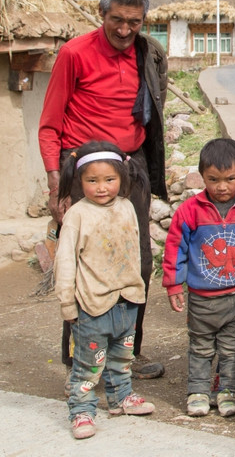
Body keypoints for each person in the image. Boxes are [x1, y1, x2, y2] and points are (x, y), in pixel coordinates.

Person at [39, 0, 169, 385]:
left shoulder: (149, 54)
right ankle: (79, 361)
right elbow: (49, 125)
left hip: (132, 169)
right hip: (84, 170)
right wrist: (55, 185)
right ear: (102, 13)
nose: (126, 30)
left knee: (137, 262)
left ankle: (127, 352)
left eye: (135, 21)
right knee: (83, 264)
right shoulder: (74, 54)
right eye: (117, 19)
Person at [53, 141, 156, 440]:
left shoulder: (127, 208)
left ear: (122, 179)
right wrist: (67, 304)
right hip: (92, 304)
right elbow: (65, 262)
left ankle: (120, 398)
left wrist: (137, 287)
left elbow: (135, 251)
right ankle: (82, 410)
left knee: (121, 357)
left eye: (109, 180)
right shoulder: (77, 215)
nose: (101, 188)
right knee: (88, 363)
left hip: (127, 299)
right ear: (79, 181)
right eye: (92, 181)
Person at [162, 138, 235, 418]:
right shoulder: (189, 211)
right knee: (200, 345)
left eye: (231, 179)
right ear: (202, 176)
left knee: (232, 348)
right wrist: (174, 283)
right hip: (201, 300)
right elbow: (175, 246)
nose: (222, 187)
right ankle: (197, 391)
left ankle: (227, 391)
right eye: (213, 179)